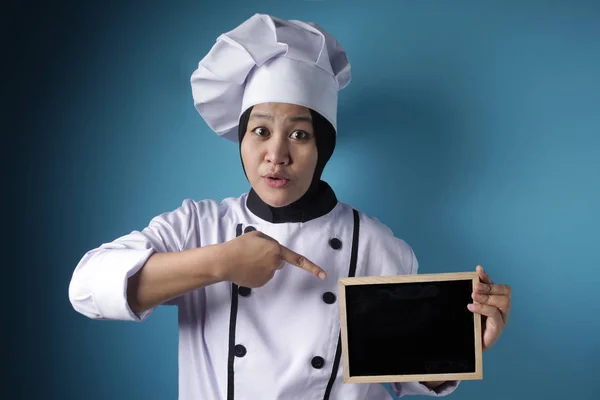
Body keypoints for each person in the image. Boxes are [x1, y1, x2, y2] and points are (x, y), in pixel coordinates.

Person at [68, 13, 512, 400]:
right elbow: (87, 289)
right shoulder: (197, 227)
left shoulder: (376, 247)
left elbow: (405, 379)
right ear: (242, 141)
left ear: (323, 147)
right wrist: (220, 263)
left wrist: (465, 341)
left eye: (299, 134)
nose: (276, 155)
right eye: (260, 131)